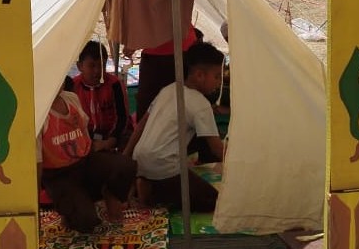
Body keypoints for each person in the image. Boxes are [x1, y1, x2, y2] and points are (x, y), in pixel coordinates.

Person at [123, 42, 226, 213]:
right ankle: (155, 192)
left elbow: (141, 125)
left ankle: (145, 184)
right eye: (217, 77)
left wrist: (126, 156)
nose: (219, 82)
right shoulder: (200, 103)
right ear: (200, 75)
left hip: (139, 161)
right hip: (163, 166)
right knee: (215, 201)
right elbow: (216, 148)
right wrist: (238, 163)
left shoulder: (168, 89)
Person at [37, 76, 137, 233]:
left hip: (85, 161)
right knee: (86, 220)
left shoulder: (71, 98)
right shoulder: (38, 112)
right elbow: (37, 162)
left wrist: (100, 156)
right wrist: (35, 202)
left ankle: (106, 194)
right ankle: (70, 209)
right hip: (60, 175)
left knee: (125, 166)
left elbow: (84, 131)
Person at [129, 23, 199, 122]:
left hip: (174, 50)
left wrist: (134, 41)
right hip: (176, 48)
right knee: (150, 107)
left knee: (177, 105)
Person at [72, 40, 132, 153]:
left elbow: (122, 118)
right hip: (84, 137)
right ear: (80, 66)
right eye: (92, 66)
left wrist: (110, 141)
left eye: (102, 65)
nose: (97, 71)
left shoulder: (115, 84)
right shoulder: (73, 87)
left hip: (114, 136)